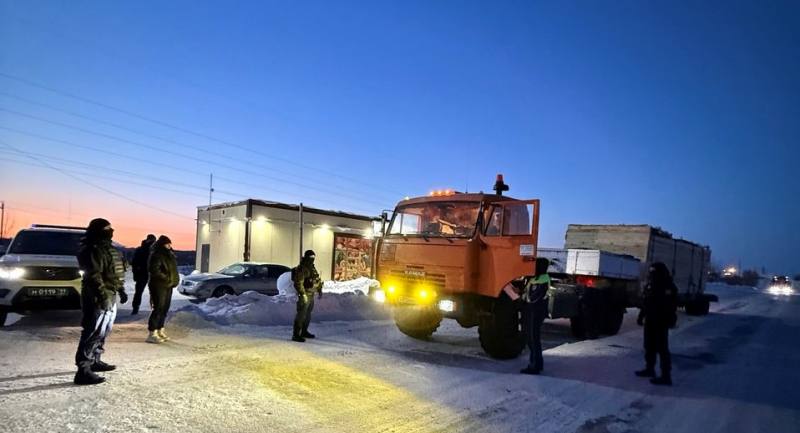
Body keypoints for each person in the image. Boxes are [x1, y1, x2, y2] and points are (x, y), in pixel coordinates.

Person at [74, 218, 128, 385]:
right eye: (107, 228)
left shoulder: (109, 249)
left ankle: (95, 360)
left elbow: (114, 272)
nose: (111, 230)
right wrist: (102, 295)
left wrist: (121, 290)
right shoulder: (91, 249)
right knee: (92, 330)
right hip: (96, 295)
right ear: (99, 230)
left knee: (103, 330)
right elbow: (94, 275)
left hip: (110, 293)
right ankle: (83, 370)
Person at [636, 262, 678, 386]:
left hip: (661, 320)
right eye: (651, 271)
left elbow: (672, 305)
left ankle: (666, 376)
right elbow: (647, 301)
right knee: (649, 345)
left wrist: (670, 319)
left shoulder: (668, 286)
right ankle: (650, 369)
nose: (652, 274)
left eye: (654, 272)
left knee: (662, 348)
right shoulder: (651, 284)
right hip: (650, 319)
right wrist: (641, 315)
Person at [520, 257, 551, 375]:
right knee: (531, 337)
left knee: (533, 338)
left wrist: (524, 302)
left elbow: (534, 298)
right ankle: (538, 363)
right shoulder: (535, 278)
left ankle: (534, 366)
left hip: (536, 311)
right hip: (533, 310)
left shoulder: (542, 279)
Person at [146, 235, 179, 344]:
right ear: (162, 244)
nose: (170, 246)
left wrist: (172, 280)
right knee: (158, 308)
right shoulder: (157, 254)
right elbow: (154, 270)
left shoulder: (169, 254)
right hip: (158, 285)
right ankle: (152, 332)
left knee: (164, 308)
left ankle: (160, 329)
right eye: (167, 244)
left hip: (168, 285)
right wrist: (167, 278)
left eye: (170, 244)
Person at [292, 250, 323, 342]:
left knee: (307, 315)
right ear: (306, 257)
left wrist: (319, 289)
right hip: (305, 294)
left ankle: (304, 331)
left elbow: (316, 279)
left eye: (313, 257)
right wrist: (302, 294)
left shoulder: (312, 268)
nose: (312, 259)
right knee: (301, 315)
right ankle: (296, 334)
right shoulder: (302, 268)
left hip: (311, 294)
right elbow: (298, 282)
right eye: (310, 257)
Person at [131, 234, 156, 315]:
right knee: (140, 292)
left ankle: (138, 308)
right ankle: (136, 308)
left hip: (148, 274)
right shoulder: (144, 250)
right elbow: (135, 263)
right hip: (144, 274)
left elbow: (134, 263)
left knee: (151, 292)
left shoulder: (150, 250)